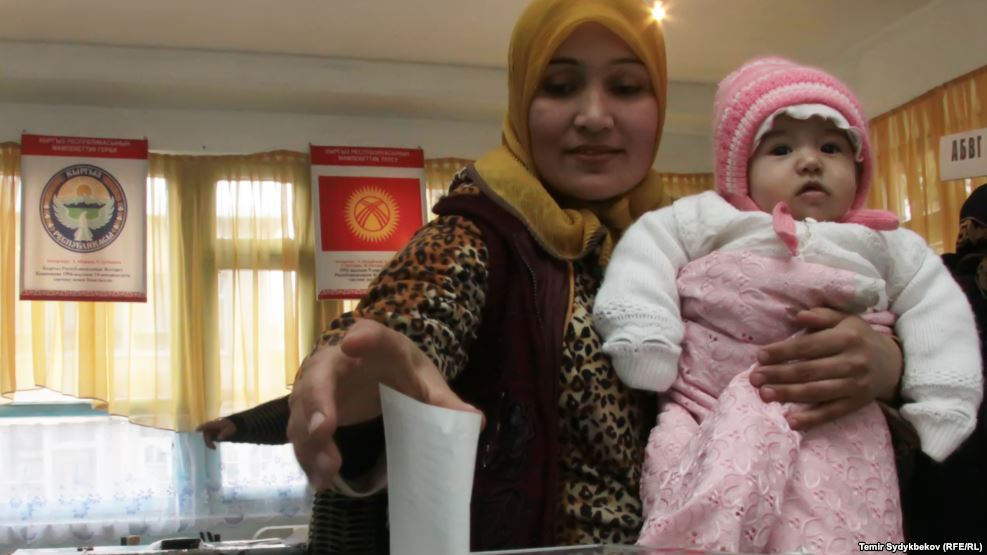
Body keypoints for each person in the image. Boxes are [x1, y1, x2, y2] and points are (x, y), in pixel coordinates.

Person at [288, 4, 908, 551]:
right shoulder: (477, 237)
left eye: (626, 87)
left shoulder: (703, 246)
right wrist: (354, 371)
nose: (593, 116)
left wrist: (888, 369)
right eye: (559, 86)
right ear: (521, 100)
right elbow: (410, 323)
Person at [593, 57, 983, 553]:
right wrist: (645, 335)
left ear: (859, 167)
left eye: (831, 147)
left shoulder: (883, 242)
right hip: (706, 406)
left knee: (834, 522)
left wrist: (943, 400)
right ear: (741, 170)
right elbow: (647, 250)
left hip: (834, 420)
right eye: (781, 148)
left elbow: (939, 309)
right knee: (689, 470)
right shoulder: (711, 217)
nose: (810, 161)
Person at [196, 398, 389, 554]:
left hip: (392, 509)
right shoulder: (338, 358)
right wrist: (240, 424)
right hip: (338, 509)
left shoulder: (407, 359)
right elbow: (306, 408)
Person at [904, 184, 987, 542]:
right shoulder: (935, 281)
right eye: (965, 221)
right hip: (950, 448)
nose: (965, 230)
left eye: (975, 222)